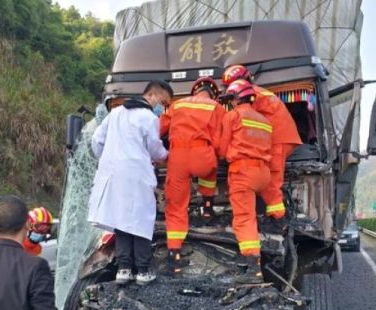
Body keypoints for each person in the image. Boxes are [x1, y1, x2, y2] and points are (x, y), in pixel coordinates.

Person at [88, 80, 173, 286]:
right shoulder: (148, 118)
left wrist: (108, 160)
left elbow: (96, 141)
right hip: (136, 176)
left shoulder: (115, 114)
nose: (162, 107)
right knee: (142, 223)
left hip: (114, 176)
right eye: (163, 102)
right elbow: (155, 149)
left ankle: (124, 270)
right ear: (151, 95)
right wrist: (170, 155)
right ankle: (143, 271)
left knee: (121, 223)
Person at [159, 77, 225, 271]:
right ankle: (207, 207)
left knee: (176, 206)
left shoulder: (177, 104)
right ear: (213, 93)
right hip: (202, 155)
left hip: (178, 156)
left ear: (194, 91)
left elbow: (159, 128)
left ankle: (174, 254)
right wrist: (220, 156)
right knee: (210, 170)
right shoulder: (217, 108)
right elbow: (220, 140)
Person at [222, 64, 301, 221]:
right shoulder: (260, 93)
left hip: (278, 139)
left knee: (273, 175)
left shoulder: (252, 96)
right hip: (281, 137)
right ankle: (275, 211)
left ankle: (277, 216)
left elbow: (244, 118)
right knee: (269, 175)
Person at [218, 79, 273, 283]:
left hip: (244, 172)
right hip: (263, 173)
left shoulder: (233, 116)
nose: (230, 103)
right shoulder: (265, 121)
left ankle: (253, 268)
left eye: (231, 99)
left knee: (244, 218)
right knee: (254, 214)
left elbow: (223, 150)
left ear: (236, 98)